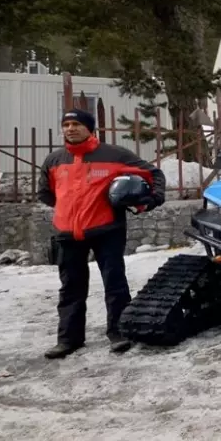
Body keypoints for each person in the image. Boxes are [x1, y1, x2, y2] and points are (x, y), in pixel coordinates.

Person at [36, 109, 166, 359]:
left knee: (114, 283)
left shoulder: (114, 155)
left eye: (76, 124)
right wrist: (67, 209)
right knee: (70, 288)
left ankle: (120, 334)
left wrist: (151, 199)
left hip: (107, 230)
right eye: (67, 124)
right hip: (67, 234)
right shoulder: (54, 160)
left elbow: (153, 174)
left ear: (90, 128)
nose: (71, 129)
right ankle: (68, 340)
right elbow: (45, 192)